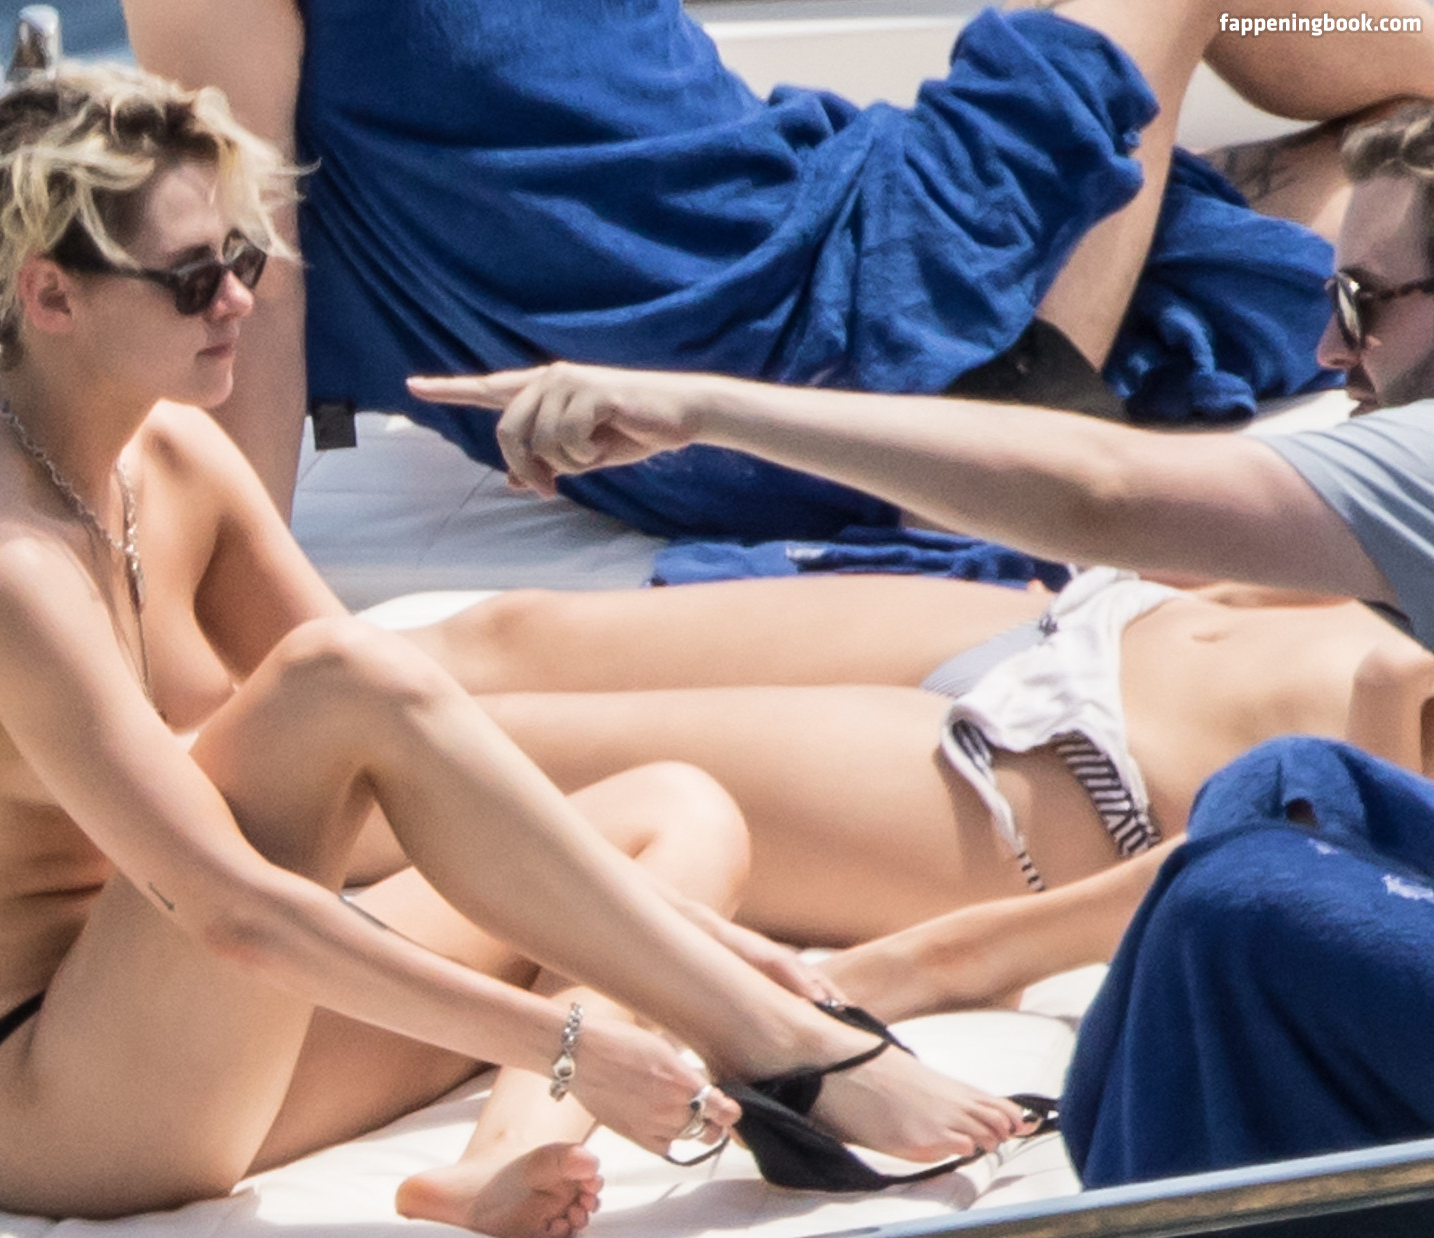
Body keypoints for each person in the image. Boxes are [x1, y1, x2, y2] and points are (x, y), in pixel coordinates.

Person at [0, 64, 1038, 1232]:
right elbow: (231, 903)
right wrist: (575, 1035)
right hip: (51, 1096)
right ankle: (780, 1049)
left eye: (243, 255)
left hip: (217, 1024)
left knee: (673, 811)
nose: (238, 299)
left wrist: (686, 949)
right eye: (190, 278)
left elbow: (408, 741)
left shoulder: (167, 456)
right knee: (336, 684)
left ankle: (506, 1151)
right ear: (49, 294)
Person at [408, 101, 1434, 1186]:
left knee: (488, 762)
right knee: (502, 637)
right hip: (1090, 623)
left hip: (1067, 776)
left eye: (1362, 303)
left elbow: (1107, 495)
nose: (1328, 348)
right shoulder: (1385, 470)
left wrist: (932, 962)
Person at [122, 0, 1434, 539]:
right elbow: (257, 264)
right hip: (814, 340)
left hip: (776, 308)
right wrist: (220, 587)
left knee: (1323, 171)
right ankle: (1024, 403)